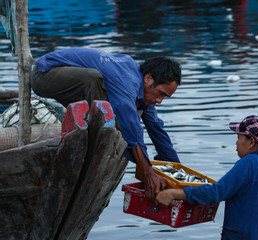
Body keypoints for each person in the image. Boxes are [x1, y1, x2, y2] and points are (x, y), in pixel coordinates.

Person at [30, 47, 182, 200]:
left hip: (72, 83)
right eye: (161, 93)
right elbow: (131, 124)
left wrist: (178, 172)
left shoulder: (142, 90)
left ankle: (95, 131)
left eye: (165, 97)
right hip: (44, 74)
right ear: (148, 78)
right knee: (94, 80)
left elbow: (156, 128)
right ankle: (95, 138)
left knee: (126, 118)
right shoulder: (126, 81)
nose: (159, 101)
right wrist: (148, 172)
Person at [156, 115, 258, 240]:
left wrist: (174, 193)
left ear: (251, 142)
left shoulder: (249, 162)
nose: (236, 142)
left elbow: (216, 192)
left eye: (239, 137)